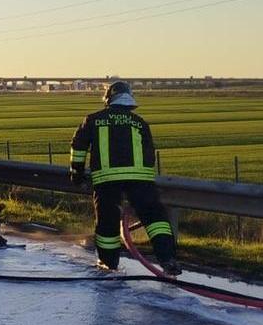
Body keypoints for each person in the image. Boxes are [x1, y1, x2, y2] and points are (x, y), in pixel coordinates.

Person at [69, 80, 181, 275]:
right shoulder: (139, 122)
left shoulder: (93, 120)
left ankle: (109, 264)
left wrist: (76, 173)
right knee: (155, 218)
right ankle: (168, 259)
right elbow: (149, 154)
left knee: (108, 223)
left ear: (109, 99)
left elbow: (78, 147)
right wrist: (143, 179)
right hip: (141, 181)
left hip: (107, 180)